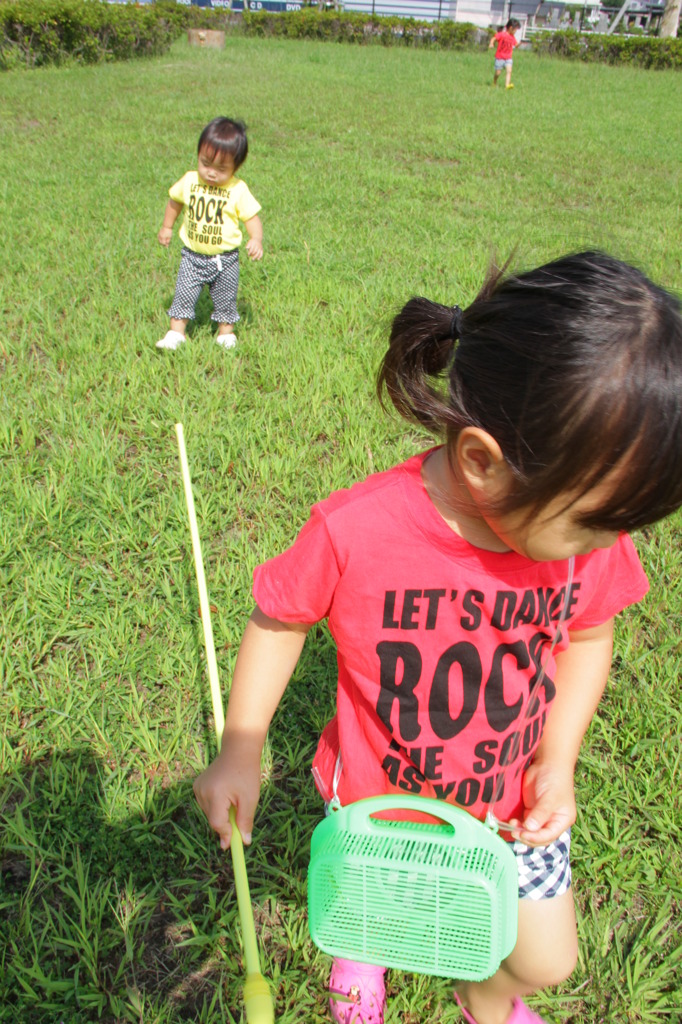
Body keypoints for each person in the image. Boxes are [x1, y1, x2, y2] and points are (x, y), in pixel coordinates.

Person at [193, 251, 682, 1024]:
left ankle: (481, 999)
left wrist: (557, 762)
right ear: (484, 463)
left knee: (548, 960)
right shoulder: (358, 529)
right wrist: (243, 746)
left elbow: (589, 637)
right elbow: (280, 617)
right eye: (591, 523)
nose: (607, 547)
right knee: (376, 905)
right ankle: (365, 944)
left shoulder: (588, 543)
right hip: (381, 804)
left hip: (512, 809)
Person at [156, 117, 263, 351]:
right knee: (183, 294)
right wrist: (167, 227)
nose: (211, 173)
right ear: (198, 156)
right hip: (192, 257)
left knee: (225, 298)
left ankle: (226, 335)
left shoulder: (237, 189)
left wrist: (256, 239)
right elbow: (175, 202)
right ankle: (176, 333)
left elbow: (251, 217)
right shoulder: (190, 181)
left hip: (225, 260)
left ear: (236, 167)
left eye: (221, 169)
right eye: (205, 164)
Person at [489, 19, 521, 89]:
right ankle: (494, 82)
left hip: (508, 58)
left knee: (509, 71)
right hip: (500, 57)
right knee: (498, 73)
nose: (515, 32)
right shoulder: (502, 34)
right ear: (510, 28)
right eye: (515, 30)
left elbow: (515, 45)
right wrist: (491, 43)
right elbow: (494, 38)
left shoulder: (512, 37)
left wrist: (518, 44)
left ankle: (507, 85)